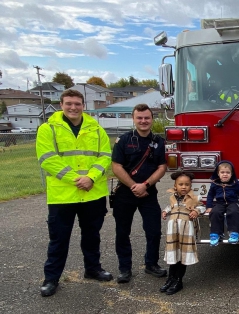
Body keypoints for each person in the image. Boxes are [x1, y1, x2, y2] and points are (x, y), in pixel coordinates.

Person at [36, 89, 113, 297]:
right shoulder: (48, 129)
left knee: (92, 235)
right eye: (69, 103)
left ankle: (93, 269)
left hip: (92, 193)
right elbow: (47, 159)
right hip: (63, 196)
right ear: (61, 104)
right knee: (59, 239)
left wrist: (91, 178)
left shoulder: (96, 129)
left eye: (77, 103)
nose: (73, 107)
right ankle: (51, 278)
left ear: (83, 105)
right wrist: (76, 179)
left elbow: (105, 156)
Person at [112, 104, 167, 283]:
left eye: (147, 118)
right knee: (122, 232)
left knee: (154, 231)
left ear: (152, 119)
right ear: (133, 119)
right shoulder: (123, 140)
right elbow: (116, 167)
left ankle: (151, 264)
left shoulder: (159, 142)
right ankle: (124, 269)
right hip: (125, 194)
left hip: (148, 193)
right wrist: (134, 186)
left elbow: (162, 167)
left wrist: (146, 185)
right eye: (139, 118)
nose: (143, 121)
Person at [160, 172, 200, 295]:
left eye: (187, 184)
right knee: (174, 254)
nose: (184, 187)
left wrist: (196, 211)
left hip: (186, 230)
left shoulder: (194, 198)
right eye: (181, 184)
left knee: (182, 255)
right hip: (173, 230)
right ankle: (170, 279)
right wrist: (165, 211)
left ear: (190, 186)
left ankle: (178, 280)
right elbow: (170, 207)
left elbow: (202, 207)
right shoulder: (172, 197)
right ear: (175, 185)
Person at [205, 160, 239, 246]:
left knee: (234, 212)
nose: (225, 174)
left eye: (227, 172)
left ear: (231, 174)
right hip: (219, 203)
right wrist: (209, 206)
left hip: (232, 202)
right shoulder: (215, 184)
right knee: (215, 212)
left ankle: (234, 233)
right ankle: (215, 234)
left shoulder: (235, 183)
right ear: (218, 174)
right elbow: (210, 195)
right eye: (222, 172)